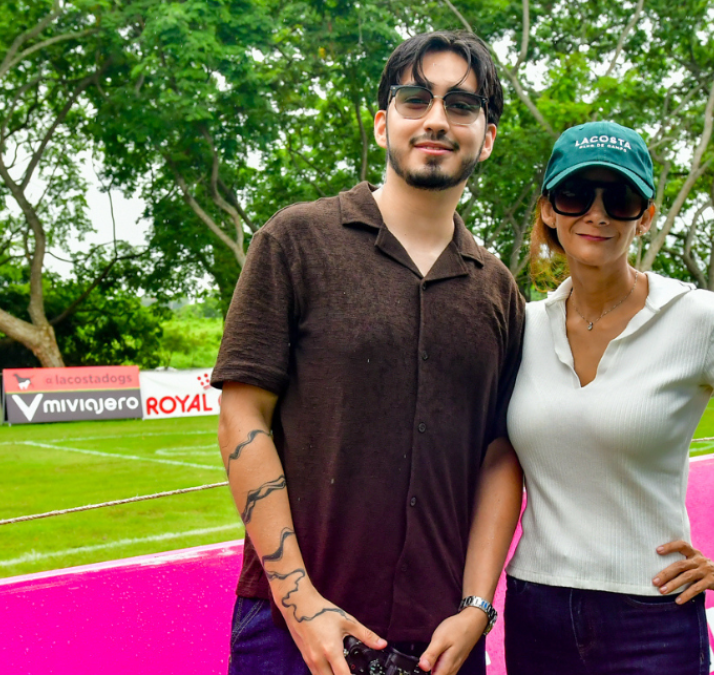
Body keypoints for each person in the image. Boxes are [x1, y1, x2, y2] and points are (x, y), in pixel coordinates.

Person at [211, 31, 525, 675]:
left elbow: (500, 454)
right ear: (384, 123)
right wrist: (300, 603)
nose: (436, 119)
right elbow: (242, 417)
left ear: (487, 137)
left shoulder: (498, 290)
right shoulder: (295, 241)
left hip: (440, 641)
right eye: (416, 99)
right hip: (293, 635)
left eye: (461, 105)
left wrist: (476, 606)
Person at [495, 122, 714, 674]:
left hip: (651, 616)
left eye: (621, 199)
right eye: (575, 194)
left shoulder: (697, 319)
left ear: (646, 215)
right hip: (537, 608)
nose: (597, 213)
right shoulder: (523, 327)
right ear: (549, 211)